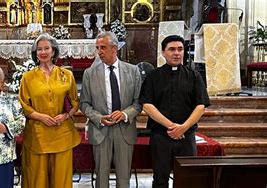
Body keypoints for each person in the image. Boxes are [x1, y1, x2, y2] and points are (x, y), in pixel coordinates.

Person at [139, 35, 210, 188]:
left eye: (180, 49)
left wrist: (183, 128)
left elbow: (201, 106)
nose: (176, 53)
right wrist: (172, 126)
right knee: (160, 180)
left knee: (188, 179)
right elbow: (146, 105)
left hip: (186, 136)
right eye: (171, 49)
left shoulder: (194, 76)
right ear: (163, 52)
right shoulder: (153, 76)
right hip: (160, 136)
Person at [79, 31, 142, 188]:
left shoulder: (133, 71)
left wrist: (125, 114)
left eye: (103, 47)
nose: (99, 51)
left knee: (123, 178)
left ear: (114, 48)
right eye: (97, 47)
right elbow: (84, 104)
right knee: (101, 177)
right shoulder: (89, 73)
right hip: (101, 130)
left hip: (125, 130)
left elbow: (139, 102)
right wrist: (99, 118)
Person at [18, 33, 80, 188]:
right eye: (39, 49)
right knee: (37, 177)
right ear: (35, 53)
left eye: (47, 48)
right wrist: (41, 117)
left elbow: (75, 102)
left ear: (53, 51)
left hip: (62, 134)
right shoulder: (28, 77)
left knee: (61, 178)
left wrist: (66, 115)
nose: (43, 52)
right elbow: (23, 104)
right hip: (37, 135)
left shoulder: (67, 75)